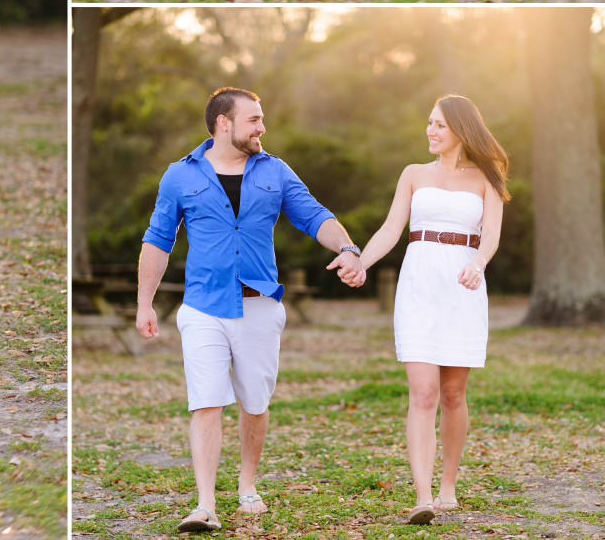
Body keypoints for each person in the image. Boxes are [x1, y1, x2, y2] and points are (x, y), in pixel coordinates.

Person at [135, 87, 365, 533]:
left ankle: (247, 486)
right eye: (253, 119)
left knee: (254, 403)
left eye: (262, 119)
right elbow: (157, 240)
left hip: (260, 306)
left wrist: (349, 248)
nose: (262, 127)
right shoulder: (179, 176)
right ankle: (204, 505)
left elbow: (315, 216)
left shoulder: (275, 171)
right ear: (224, 123)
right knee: (206, 402)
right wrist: (145, 303)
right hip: (202, 305)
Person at [341, 95, 508, 525]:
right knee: (424, 393)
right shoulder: (413, 174)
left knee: (453, 394)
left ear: (460, 130)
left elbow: (490, 235)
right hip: (419, 286)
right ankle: (422, 496)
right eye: (428, 123)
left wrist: (477, 263)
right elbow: (392, 228)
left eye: (438, 125)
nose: (430, 131)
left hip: (463, 286)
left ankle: (448, 486)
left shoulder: (486, 176)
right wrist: (361, 260)